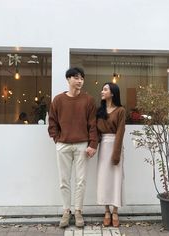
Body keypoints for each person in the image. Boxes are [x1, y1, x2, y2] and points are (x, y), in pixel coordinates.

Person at [48, 67, 98, 228]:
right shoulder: (58, 100)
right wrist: (56, 139)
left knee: (81, 180)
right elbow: (52, 122)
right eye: (76, 78)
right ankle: (66, 211)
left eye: (82, 78)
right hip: (63, 145)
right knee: (64, 180)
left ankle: (78, 212)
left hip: (82, 144)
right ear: (68, 79)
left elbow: (92, 124)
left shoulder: (88, 100)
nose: (80, 81)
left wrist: (92, 144)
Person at [96, 82, 126, 227]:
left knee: (116, 179)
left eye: (105, 89)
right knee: (104, 180)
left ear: (113, 93)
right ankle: (106, 210)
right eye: (102, 89)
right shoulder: (99, 111)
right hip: (103, 147)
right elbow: (96, 132)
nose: (102, 91)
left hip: (116, 145)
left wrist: (116, 154)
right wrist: (93, 147)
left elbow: (120, 132)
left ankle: (115, 211)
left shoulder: (120, 110)